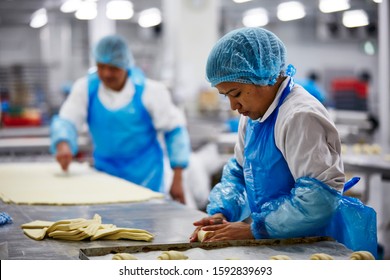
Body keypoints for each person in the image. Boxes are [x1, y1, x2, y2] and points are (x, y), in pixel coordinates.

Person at [190, 27, 377, 255]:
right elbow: (239, 174)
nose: (233, 106)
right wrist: (222, 213)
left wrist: (253, 229)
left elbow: (317, 200)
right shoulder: (253, 116)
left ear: (262, 76)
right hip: (274, 242)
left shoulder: (299, 116)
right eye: (226, 96)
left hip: (313, 246)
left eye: (236, 93)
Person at [50, 34, 190, 203]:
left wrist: (177, 179)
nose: (106, 73)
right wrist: (63, 144)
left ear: (125, 66)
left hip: (146, 178)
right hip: (104, 177)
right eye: (101, 67)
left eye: (113, 68)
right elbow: (66, 120)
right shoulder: (86, 88)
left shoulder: (150, 91)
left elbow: (174, 131)